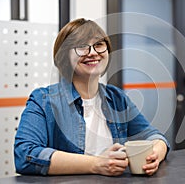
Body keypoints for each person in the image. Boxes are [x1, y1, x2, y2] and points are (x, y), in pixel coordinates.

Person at [14, 18, 170, 176]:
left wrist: (155, 154)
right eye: (82, 47)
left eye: (99, 45)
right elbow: (25, 155)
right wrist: (97, 164)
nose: (93, 53)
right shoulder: (43, 100)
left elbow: (154, 136)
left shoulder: (116, 98)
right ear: (64, 55)